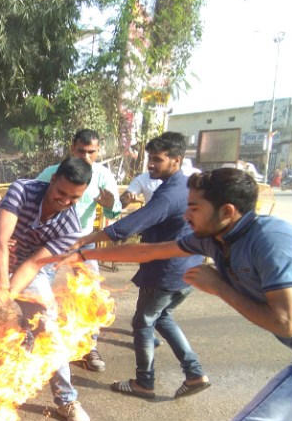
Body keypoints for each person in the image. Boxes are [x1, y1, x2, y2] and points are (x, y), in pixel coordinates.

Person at [43, 168, 292, 421]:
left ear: (227, 210)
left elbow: (286, 321)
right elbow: (148, 251)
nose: (187, 214)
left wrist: (222, 288)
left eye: (194, 207)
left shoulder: (270, 240)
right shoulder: (214, 238)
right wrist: (84, 253)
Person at [75, 132, 208, 400]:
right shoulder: (182, 186)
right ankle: (194, 373)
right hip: (187, 269)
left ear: (176, 160)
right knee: (162, 317)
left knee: (143, 323)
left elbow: (131, 225)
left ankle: (144, 382)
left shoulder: (170, 195)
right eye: (150, 158)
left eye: (157, 160)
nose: (150, 165)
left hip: (166, 271)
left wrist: (89, 240)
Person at [0, 156, 94, 421]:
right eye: (62, 192)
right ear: (53, 178)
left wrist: (9, 293)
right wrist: (1, 285)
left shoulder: (70, 227)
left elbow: (33, 264)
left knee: (48, 327)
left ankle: (66, 399)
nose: (65, 201)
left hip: (28, 271)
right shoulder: (22, 190)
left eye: (74, 198)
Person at [35, 129, 121, 372]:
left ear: (98, 151)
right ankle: (40, 342)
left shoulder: (103, 176)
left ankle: (88, 347)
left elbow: (115, 209)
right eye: (81, 151)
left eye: (91, 152)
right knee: (41, 296)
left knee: (90, 296)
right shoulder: (53, 174)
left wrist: (110, 204)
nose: (86, 156)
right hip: (50, 245)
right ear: (72, 149)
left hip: (84, 244)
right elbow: (32, 199)